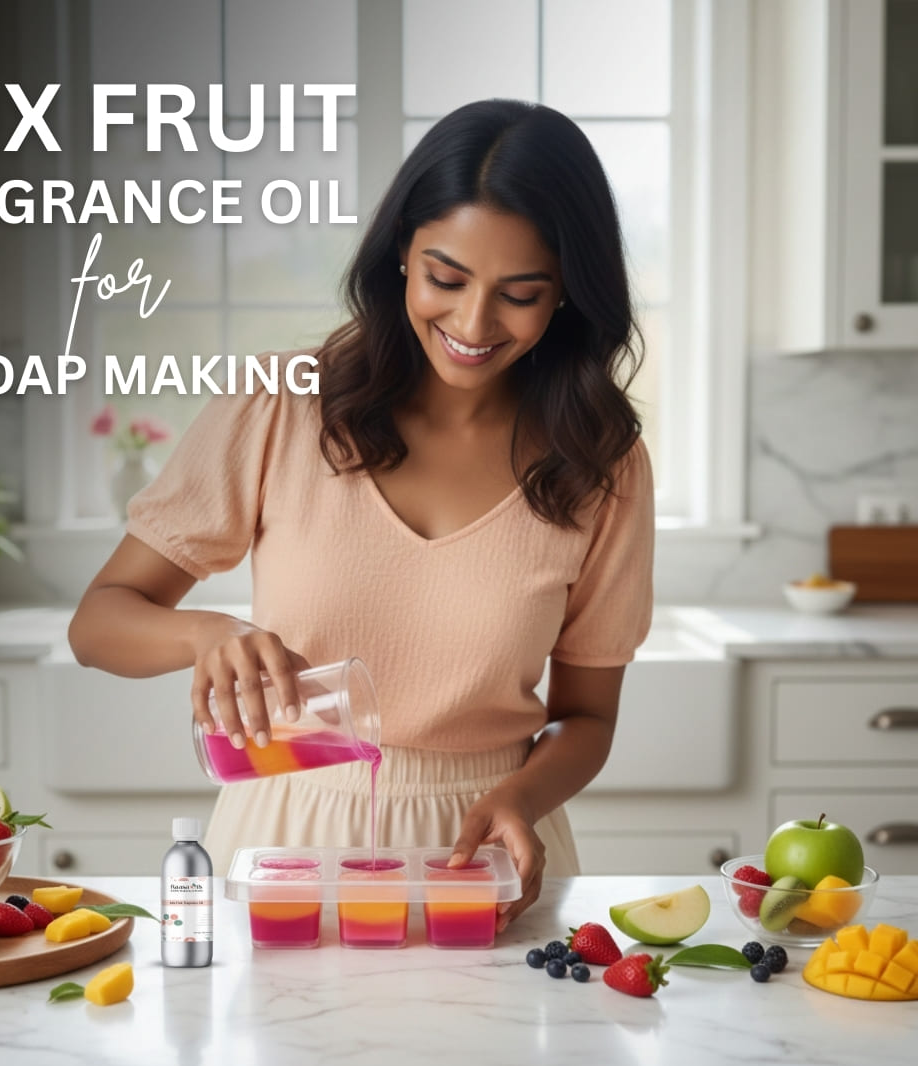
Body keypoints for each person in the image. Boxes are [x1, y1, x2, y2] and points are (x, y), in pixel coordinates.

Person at [69, 99, 654, 931]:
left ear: (568, 296)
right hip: (287, 836)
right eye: (445, 279)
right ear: (399, 260)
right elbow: (97, 624)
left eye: (520, 294)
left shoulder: (602, 459)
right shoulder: (284, 405)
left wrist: (521, 795)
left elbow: (588, 716)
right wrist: (205, 635)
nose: (474, 324)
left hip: (484, 855)